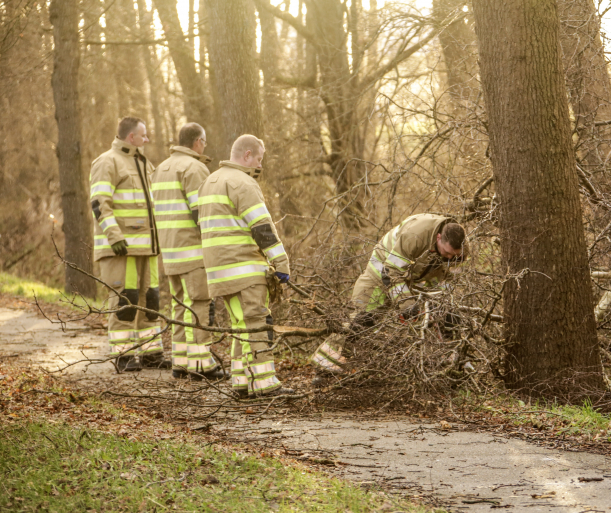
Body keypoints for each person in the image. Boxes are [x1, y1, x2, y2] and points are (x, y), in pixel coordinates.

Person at [311, 214, 466, 382]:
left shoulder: (461, 248)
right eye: (447, 253)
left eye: (454, 255)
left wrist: (441, 302)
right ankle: (325, 366)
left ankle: (454, 364)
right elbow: (390, 273)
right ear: (438, 238)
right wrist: (407, 305)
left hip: (419, 275)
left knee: (448, 315)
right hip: (383, 269)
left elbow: (450, 278)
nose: (450, 258)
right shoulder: (413, 236)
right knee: (364, 319)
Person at [198, 134, 293, 397]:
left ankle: (241, 382)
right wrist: (281, 262)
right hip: (244, 266)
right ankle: (265, 383)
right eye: (259, 159)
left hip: (219, 271)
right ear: (248, 155)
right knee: (257, 321)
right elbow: (262, 228)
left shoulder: (209, 182)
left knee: (240, 324)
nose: (260, 166)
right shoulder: (243, 183)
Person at [90, 117, 167, 372]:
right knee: (125, 300)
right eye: (143, 135)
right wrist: (114, 237)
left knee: (151, 301)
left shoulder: (144, 163)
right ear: (131, 137)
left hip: (147, 248)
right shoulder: (107, 162)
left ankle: (151, 354)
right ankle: (123, 356)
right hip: (122, 249)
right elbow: (99, 203)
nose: (147, 140)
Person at [150, 122, 225, 379]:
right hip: (193, 251)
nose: (205, 145)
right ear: (197, 142)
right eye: (204, 141)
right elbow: (201, 212)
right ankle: (202, 365)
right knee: (200, 304)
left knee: (179, 304)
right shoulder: (195, 167)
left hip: (170, 253)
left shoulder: (160, 168)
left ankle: (180, 363)